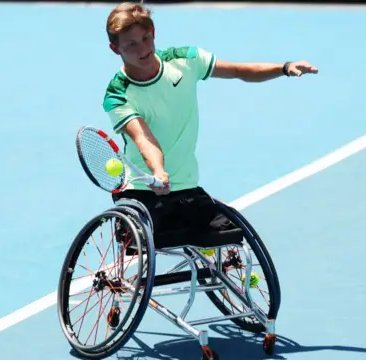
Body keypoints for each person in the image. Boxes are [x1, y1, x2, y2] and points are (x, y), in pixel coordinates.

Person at [103, 2, 318, 248]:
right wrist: (159, 172)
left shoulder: (185, 60)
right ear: (115, 48)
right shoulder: (118, 95)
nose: (143, 48)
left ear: (153, 33)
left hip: (186, 189)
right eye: (131, 44)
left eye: (146, 38)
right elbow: (144, 139)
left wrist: (284, 68)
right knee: (146, 241)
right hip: (143, 193)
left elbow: (239, 70)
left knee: (232, 233)